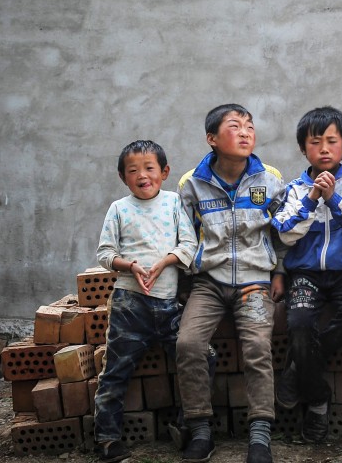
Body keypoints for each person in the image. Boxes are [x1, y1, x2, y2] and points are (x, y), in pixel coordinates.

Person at [175, 104, 287, 463]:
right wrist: (185, 280)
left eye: (249, 127)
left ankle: (260, 435)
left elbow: (281, 233)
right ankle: (201, 430)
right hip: (208, 282)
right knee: (188, 343)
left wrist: (280, 272)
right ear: (212, 138)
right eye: (234, 126)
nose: (245, 133)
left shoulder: (270, 178)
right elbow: (185, 234)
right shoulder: (191, 183)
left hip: (255, 280)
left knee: (257, 345)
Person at [272, 106, 342, 443]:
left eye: (333, 141)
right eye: (316, 143)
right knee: (299, 322)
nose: (325, 149)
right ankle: (317, 401)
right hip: (305, 275)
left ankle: (297, 369)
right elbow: (284, 234)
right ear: (304, 149)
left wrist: (334, 199)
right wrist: (313, 197)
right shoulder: (293, 190)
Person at [93, 140, 197, 463]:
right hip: (129, 305)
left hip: (169, 305)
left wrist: (166, 262)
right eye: (133, 170)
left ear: (164, 172)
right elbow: (105, 254)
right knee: (115, 371)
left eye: (149, 168)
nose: (142, 176)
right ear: (123, 177)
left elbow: (190, 246)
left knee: (200, 357)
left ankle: (187, 424)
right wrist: (130, 266)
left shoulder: (174, 204)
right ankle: (107, 438)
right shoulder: (119, 209)